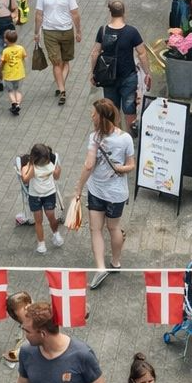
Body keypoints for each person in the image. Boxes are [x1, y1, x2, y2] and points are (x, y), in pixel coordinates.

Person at [74, 99, 135, 291]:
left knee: (96, 229)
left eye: (94, 114)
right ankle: (115, 262)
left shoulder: (95, 138)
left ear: (101, 117)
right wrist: (121, 168)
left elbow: (89, 165)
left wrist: (78, 189)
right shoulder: (125, 138)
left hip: (96, 190)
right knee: (114, 228)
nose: (91, 116)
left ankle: (100, 268)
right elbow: (131, 165)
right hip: (117, 193)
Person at [89, 0, 152, 134]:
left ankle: (115, 136)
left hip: (108, 77)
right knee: (129, 108)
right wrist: (147, 73)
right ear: (124, 12)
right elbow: (142, 53)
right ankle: (130, 136)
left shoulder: (103, 30)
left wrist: (93, 73)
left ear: (110, 12)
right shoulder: (132, 31)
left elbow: (95, 53)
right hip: (128, 76)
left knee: (111, 109)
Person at [34, 0, 81, 106]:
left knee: (56, 63)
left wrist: (36, 32)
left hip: (49, 32)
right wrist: (78, 31)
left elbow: (38, 15)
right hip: (66, 31)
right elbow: (75, 14)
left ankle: (61, 88)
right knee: (65, 62)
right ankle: (61, 88)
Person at [20, 143, 63, 254]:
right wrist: (31, 167)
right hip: (35, 196)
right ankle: (41, 243)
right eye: (42, 161)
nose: (44, 163)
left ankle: (56, 234)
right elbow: (25, 179)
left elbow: (56, 177)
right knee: (38, 220)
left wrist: (58, 171)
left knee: (51, 216)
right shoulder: (31, 167)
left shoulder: (50, 163)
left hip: (49, 194)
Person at [0, 28, 27, 115]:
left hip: (9, 74)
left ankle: (14, 103)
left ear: (6, 40)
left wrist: (0, 69)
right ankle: (18, 105)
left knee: (10, 91)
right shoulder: (21, 48)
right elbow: (23, 57)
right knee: (18, 90)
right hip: (19, 73)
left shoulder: (5, 51)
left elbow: (3, 61)